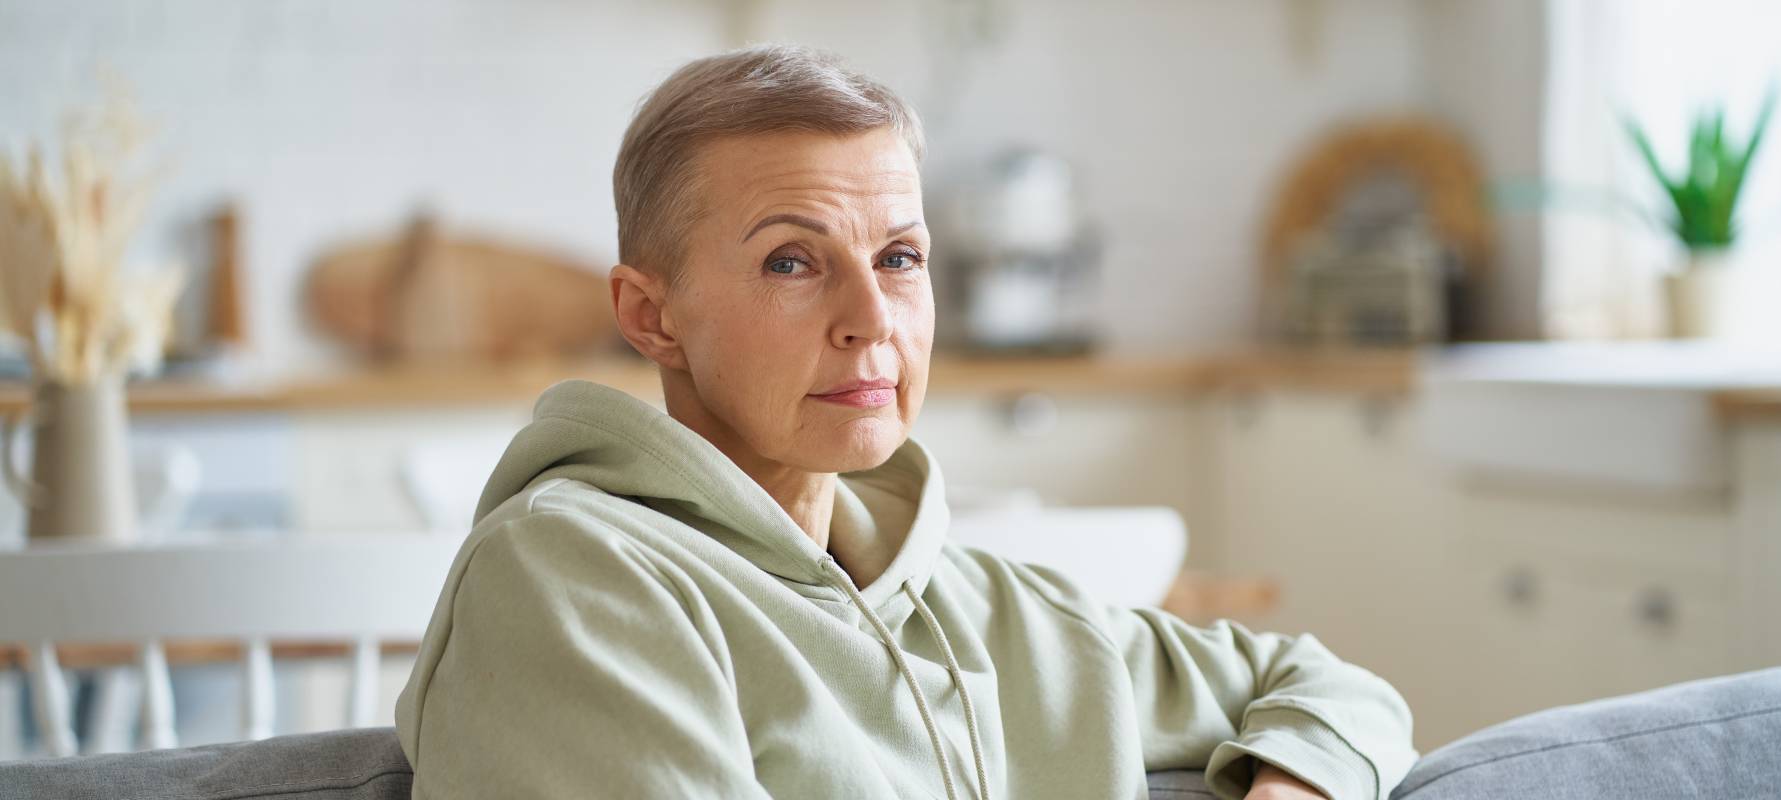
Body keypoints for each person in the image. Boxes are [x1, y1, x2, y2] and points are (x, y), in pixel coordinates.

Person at [395, 44, 1417, 800]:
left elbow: (1330, 685)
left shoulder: (988, 608)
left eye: (900, 258)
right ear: (650, 314)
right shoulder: (570, 579)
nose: (872, 319)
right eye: (792, 262)